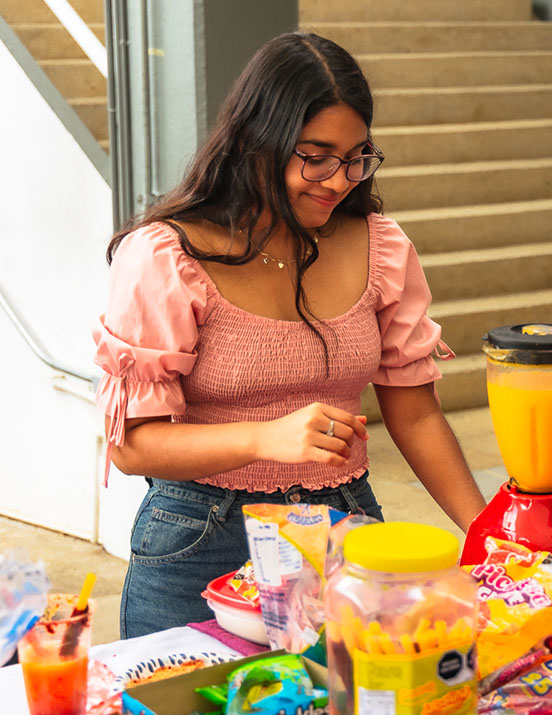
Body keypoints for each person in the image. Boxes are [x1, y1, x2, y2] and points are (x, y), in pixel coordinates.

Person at [92, 32, 486, 639]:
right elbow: (134, 445)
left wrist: (487, 533)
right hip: (199, 538)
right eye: (316, 155)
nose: (338, 180)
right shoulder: (167, 256)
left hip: (342, 525)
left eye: (357, 157)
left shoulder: (380, 247)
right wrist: (267, 437)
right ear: (256, 140)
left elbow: (416, 416)